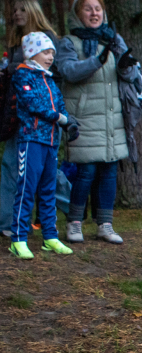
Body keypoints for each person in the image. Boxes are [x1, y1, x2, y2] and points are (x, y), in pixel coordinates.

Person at [56, 0, 142, 245]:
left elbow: (130, 75)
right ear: (77, 14)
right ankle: (74, 223)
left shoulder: (114, 40)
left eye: (98, 9)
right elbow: (69, 71)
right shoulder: (69, 42)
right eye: (88, 9)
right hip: (83, 118)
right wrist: (98, 60)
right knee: (86, 172)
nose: (94, 13)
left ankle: (105, 224)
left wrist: (126, 65)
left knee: (109, 171)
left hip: (112, 118)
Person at [9, 33, 78, 259]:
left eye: (52, 54)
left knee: (49, 191)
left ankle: (50, 237)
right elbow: (33, 105)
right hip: (31, 141)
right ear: (32, 53)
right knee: (26, 190)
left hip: (51, 143)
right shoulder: (22, 75)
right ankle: (18, 239)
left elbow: (60, 105)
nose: (51, 57)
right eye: (46, 52)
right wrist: (60, 119)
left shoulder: (49, 79)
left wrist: (69, 123)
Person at [0, 0, 59, 238]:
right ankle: (6, 223)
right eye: (14, 10)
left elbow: (53, 75)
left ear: (33, 11)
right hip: (16, 112)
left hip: (41, 116)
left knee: (44, 170)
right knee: (11, 165)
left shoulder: (48, 39)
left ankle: (69, 211)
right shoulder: (16, 42)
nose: (16, 14)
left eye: (22, 9)